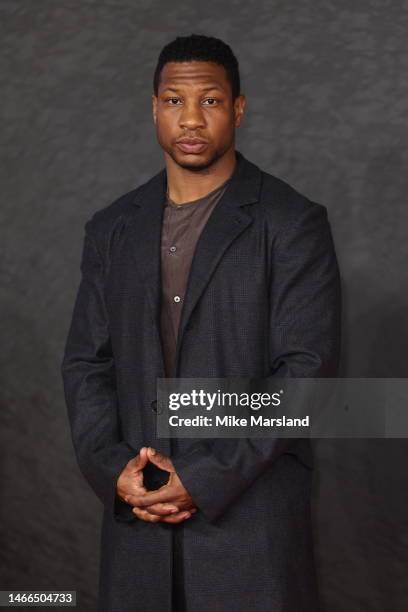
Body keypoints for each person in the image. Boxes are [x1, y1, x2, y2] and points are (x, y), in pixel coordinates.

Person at [61, 33, 341, 612]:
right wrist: (114, 469)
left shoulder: (291, 223)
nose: (191, 118)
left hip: (251, 528)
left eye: (210, 101)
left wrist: (204, 476)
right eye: (173, 101)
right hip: (139, 525)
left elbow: (305, 376)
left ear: (238, 108)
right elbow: (88, 363)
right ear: (154, 108)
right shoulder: (112, 227)